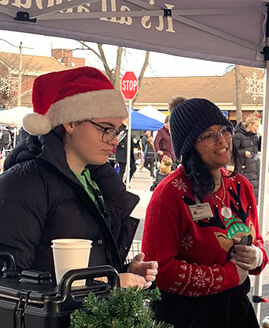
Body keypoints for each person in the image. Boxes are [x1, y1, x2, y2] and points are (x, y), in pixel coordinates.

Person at [0, 66, 156, 288]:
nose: (114, 140)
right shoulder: (23, 183)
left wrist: (122, 271)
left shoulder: (95, 181)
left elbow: (86, 267)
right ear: (70, 122)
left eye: (117, 131)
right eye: (106, 129)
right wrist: (111, 283)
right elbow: (9, 282)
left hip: (86, 312)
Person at [141, 98, 267, 328]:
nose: (222, 141)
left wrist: (257, 256)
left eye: (224, 130)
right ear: (189, 146)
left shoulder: (240, 185)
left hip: (236, 316)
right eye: (208, 136)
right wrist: (226, 276)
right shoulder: (169, 194)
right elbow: (159, 270)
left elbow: (257, 239)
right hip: (186, 324)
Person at [232, 115, 261, 198]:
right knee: (246, 190)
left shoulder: (254, 136)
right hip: (244, 167)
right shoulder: (238, 136)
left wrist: (262, 138)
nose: (257, 128)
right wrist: (243, 153)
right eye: (256, 126)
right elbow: (233, 150)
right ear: (250, 125)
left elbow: (260, 148)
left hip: (255, 166)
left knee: (255, 190)